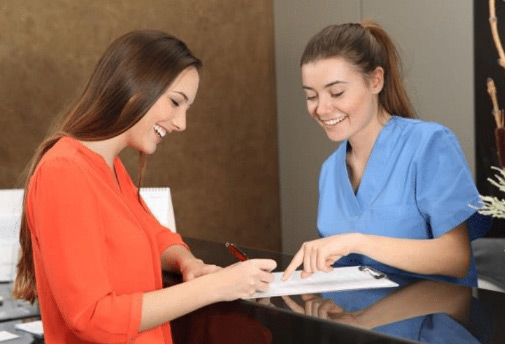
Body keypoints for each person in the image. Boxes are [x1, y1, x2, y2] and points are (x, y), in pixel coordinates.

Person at [12, 30, 276, 343]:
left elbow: (156, 236)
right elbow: (92, 317)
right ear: (135, 86)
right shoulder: (64, 172)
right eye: (176, 102)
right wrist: (215, 287)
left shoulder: (110, 167)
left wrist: (187, 263)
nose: (181, 123)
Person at [282, 20, 489, 287]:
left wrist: (357, 241)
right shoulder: (329, 170)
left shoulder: (429, 144)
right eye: (311, 96)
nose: (321, 109)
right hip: (354, 323)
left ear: (376, 81)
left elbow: (456, 258)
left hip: (432, 323)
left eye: (336, 92)